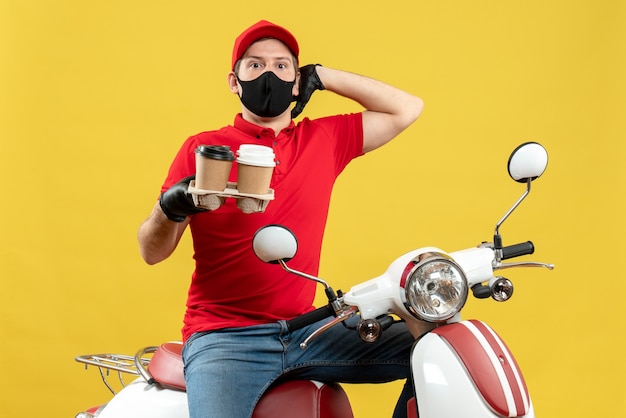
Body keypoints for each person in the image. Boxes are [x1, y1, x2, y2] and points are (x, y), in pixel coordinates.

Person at [138, 20, 424, 418]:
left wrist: (321, 76)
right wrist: (169, 209)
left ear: (296, 83)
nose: (268, 74)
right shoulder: (203, 150)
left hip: (308, 331)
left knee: (435, 350)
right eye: (254, 66)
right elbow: (152, 252)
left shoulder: (324, 139)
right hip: (224, 338)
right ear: (234, 81)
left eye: (281, 66)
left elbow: (408, 108)